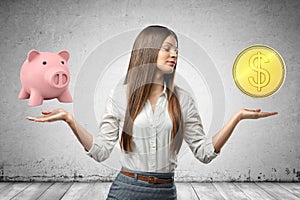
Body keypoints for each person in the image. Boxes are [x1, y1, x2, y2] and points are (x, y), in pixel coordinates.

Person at [27, 25, 278, 200]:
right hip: (126, 189)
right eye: (167, 48)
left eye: (176, 49)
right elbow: (102, 151)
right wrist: (70, 120)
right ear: (148, 50)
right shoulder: (120, 94)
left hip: (165, 191)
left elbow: (204, 153)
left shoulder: (183, 99)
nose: (174, 55)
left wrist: (237, 118)